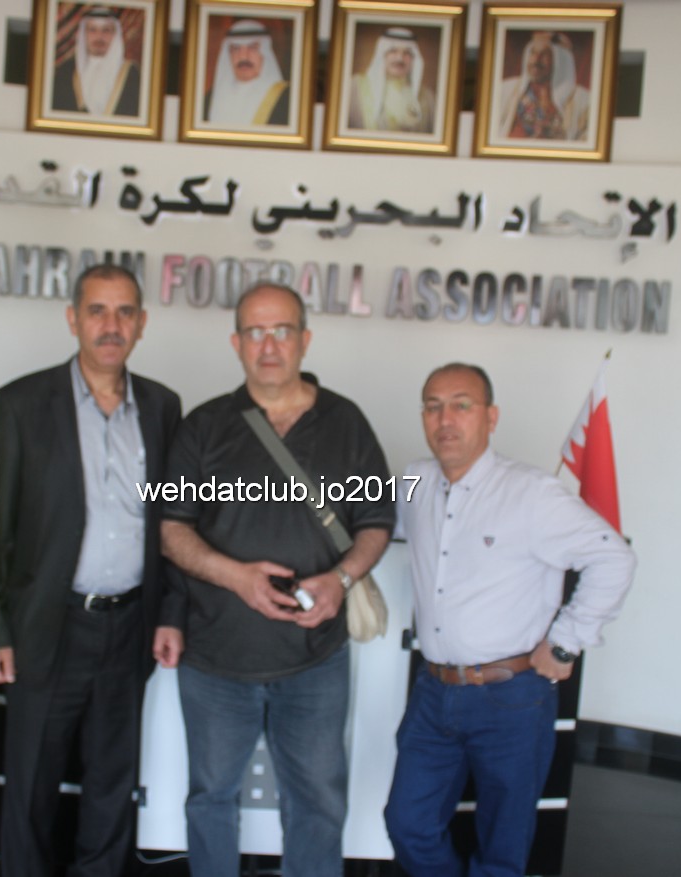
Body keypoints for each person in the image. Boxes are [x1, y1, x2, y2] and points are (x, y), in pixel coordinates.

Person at [157, 283, 393, 877]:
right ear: (236, 342)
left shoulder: (346, 422)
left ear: (304, 340)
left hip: (315, 662)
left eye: (282, 331)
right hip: (217, 660)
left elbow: (376, 522)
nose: (269, 345)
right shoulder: (204, 426)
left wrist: (341, 579)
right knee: (210, 799)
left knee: (318, 804)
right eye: (255, 332)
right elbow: (172, 529)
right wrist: (236, 577)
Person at [384, 363, 636, 877]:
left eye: (461, 405)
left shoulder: (531, 493)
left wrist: (565, 642)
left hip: (512, 698)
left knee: (503, 843)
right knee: (408, 823)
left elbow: (614, 557)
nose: (445, 419)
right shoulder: (414, 480)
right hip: (434, 693)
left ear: (491, 417)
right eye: (433, 407)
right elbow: (359, 517)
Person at [0, 264, 181, 877]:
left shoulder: (162, 406)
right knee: (31, 785)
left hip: (129, 625)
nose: (110, 325)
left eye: (124, 312)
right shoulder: (20, 403)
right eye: (97, 310)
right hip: (49, 624)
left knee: (112, 782)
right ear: (73, 319)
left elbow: (174, 522)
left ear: (142, 324)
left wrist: (170, 613)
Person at [496, 30, 590, 141]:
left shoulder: (583, 101)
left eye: (545, 54)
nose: (535, 60)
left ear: (561, 61)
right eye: (533, 53)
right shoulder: (505, 90)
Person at [52, 6, 141, 117]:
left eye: (106, 30)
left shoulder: (132, 74)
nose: (99, 36)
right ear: (84, 34)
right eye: (92, 30)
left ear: (115, 35)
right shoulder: (65, 72)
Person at [347, 27, 436, 133]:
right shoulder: (355, 87)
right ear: (382, 55)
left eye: (407, 53)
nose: (400, 58)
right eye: (393, 51)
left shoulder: (428, 97)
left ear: (413, 59)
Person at [203, 19, 290, 127]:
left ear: (265, 53)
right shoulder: (210, 99)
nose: (243, 56)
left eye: (252, 48)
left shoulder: (285, 98)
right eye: (236, 49)